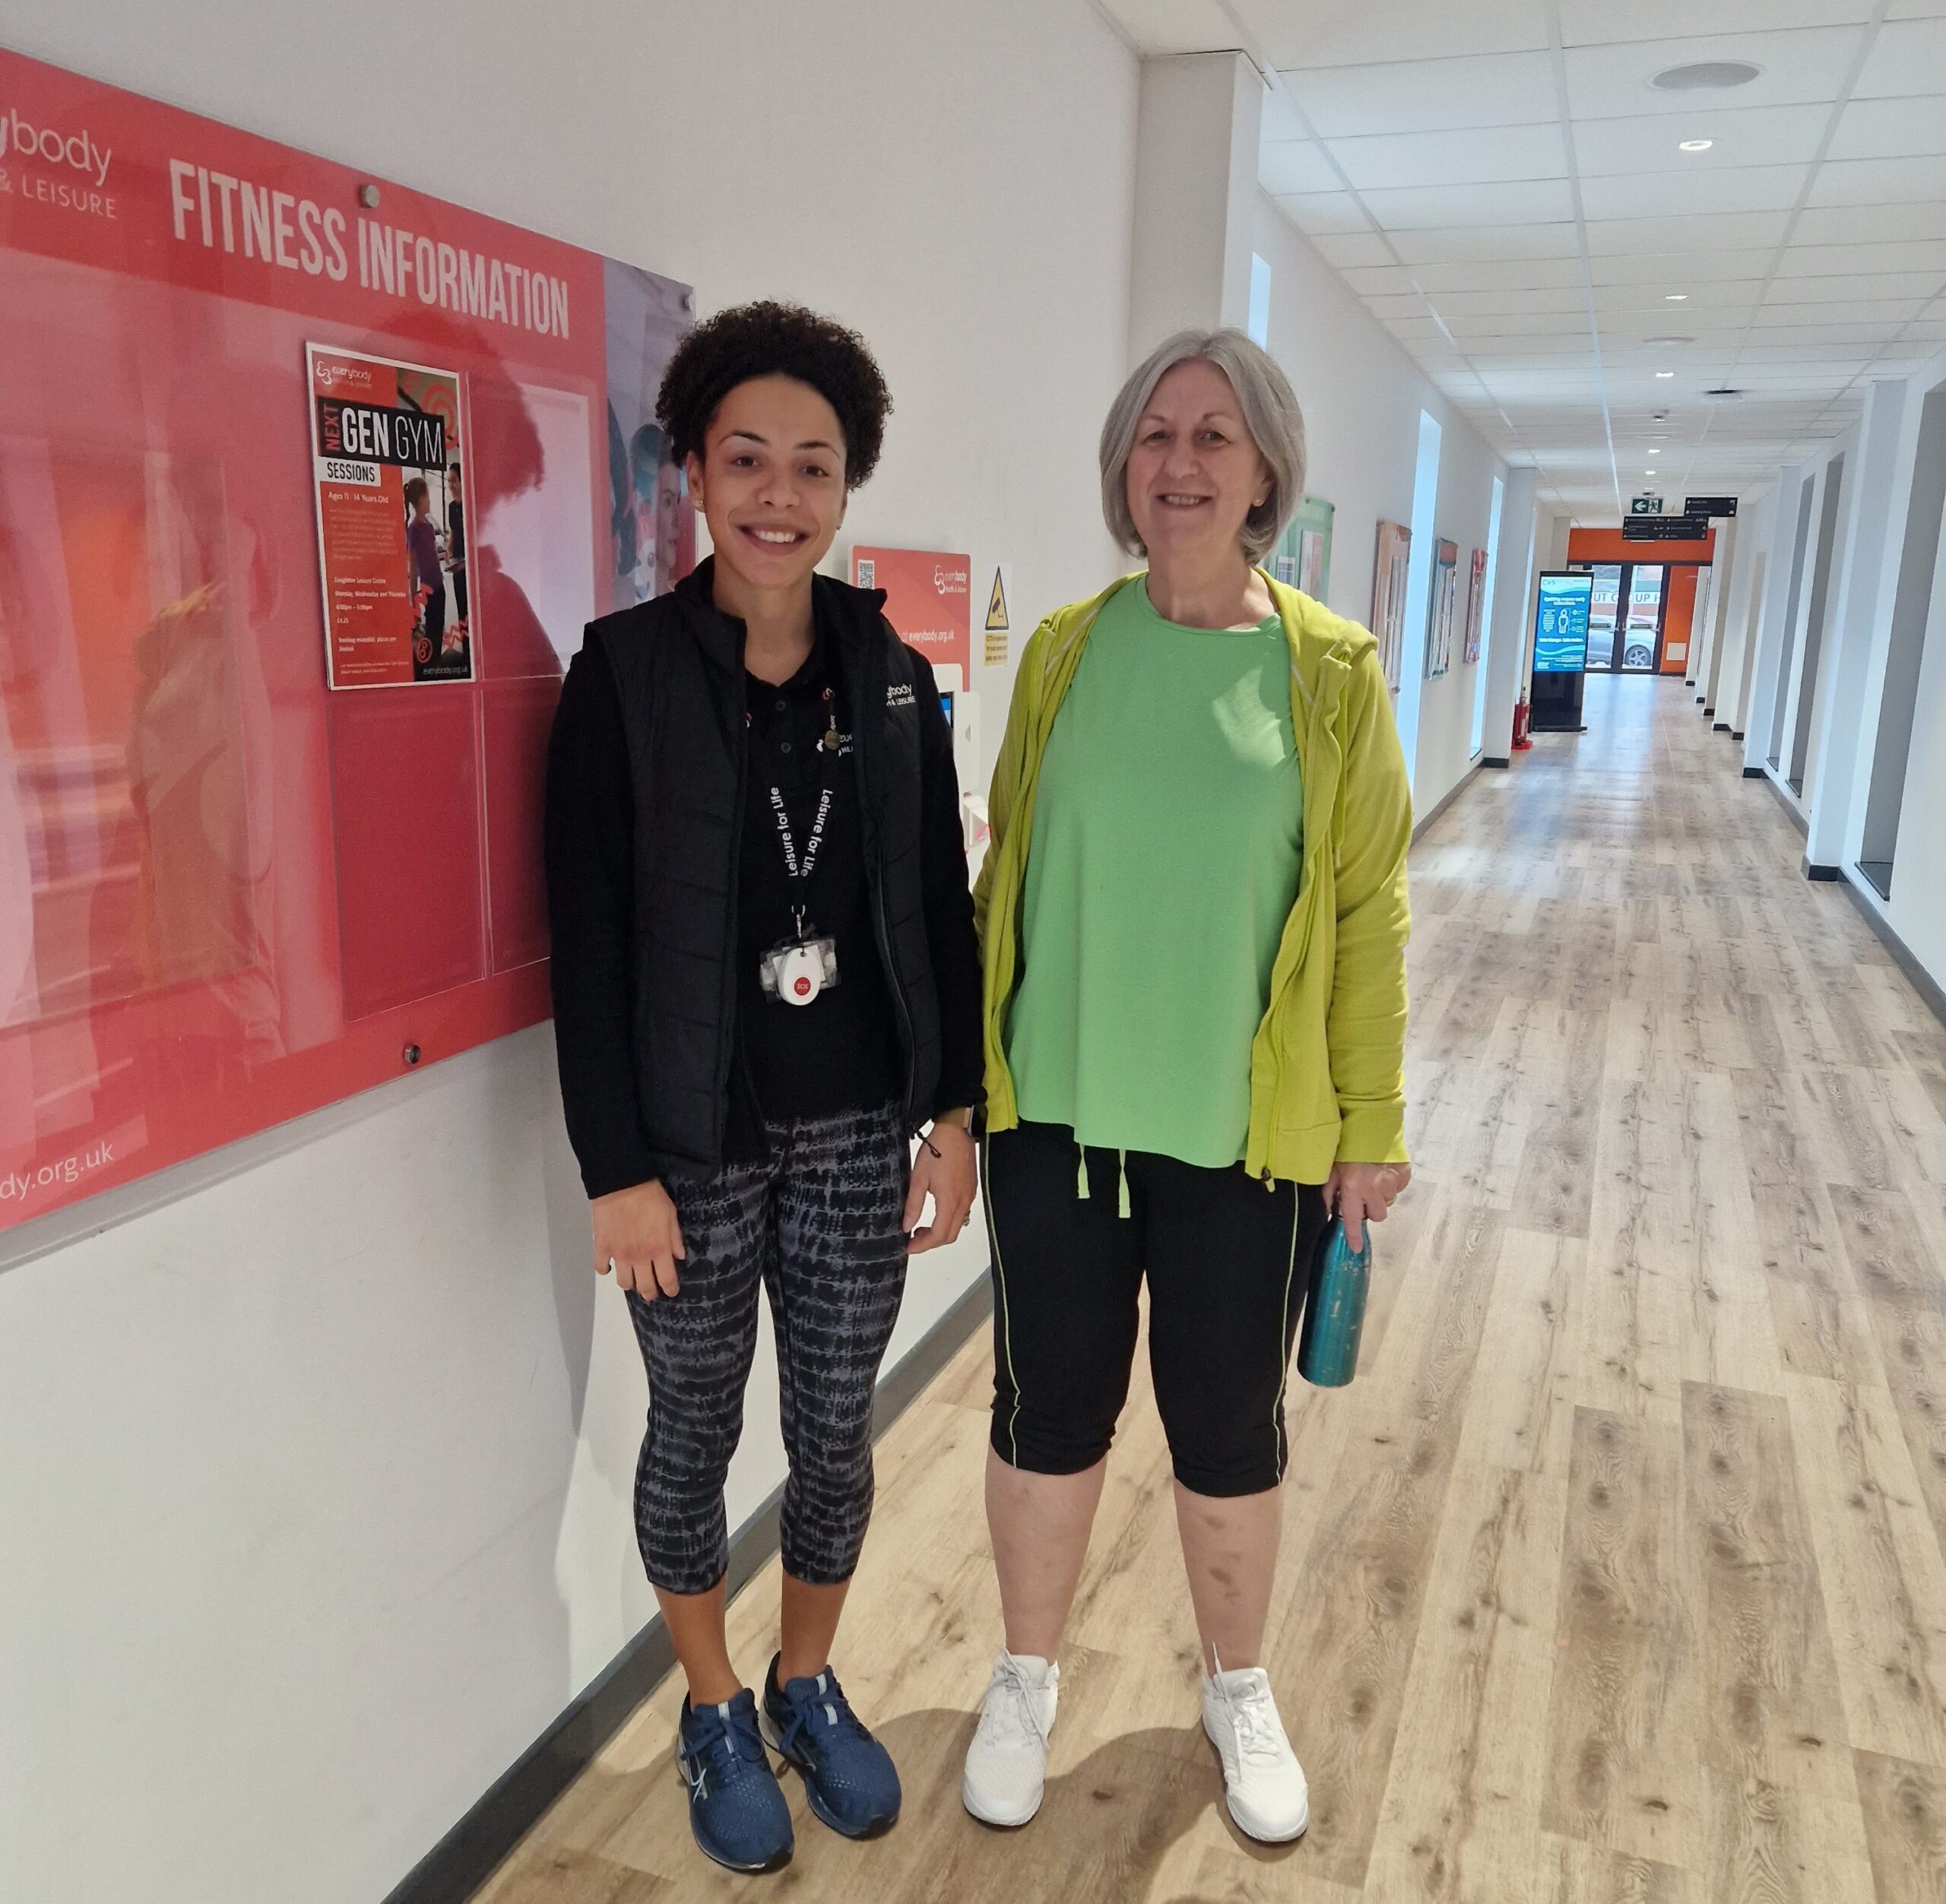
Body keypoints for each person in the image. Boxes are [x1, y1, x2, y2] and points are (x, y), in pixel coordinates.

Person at [544, 301, 982, 1877]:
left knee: (835, 1434)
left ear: (847, 485)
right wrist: (617, 1166)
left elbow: (939, 902)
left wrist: (953, 1111)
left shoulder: (887, 675)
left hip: (862, 1125)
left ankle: (805, 1679)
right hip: (688, 1142)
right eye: (747, 459)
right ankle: (713, 1703)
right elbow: (583, 946)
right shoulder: (622, 679)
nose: (777, 494)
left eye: (811, 464)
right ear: (694, 472)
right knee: (692, 1426)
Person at [960, 330, 1412, 1844]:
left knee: (1226, 1428)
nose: (1179, 462)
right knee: (1044, 1416)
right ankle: (1024, 1673)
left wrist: (1371, 1128)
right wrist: (963, 1095)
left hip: (1246, 1144)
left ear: (1266, 471)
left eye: (1215, 435)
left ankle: (1237, 1685)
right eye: (1155, 433)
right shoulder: (1066, 652)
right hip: (1061, 1126)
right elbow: (1004, 876)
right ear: (1121, 465)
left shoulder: (1328, 674)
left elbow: (1363, 913)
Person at [403, 475, 445, 651]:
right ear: (420, 499)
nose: (430, 500)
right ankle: (431, 667)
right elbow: (413, 569)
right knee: (432, 634)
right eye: (427, 496)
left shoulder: (428, 525)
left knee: (439, 629)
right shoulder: (414, 529)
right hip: (429, 590)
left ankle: (436, 663)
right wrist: (413, 604)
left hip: (440, 585)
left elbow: (433, 554)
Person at [445, 462, 467, 626]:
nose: (451, 486)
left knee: (470, 609)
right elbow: (454, 530)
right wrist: (449, 547)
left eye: (454, 480)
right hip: (458, 566)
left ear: (462, 481)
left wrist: (464, 564)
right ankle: (466, 648)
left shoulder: (470, 505)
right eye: (448, 481)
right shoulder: (452, 508)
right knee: (462, 611)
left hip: (470, 567)